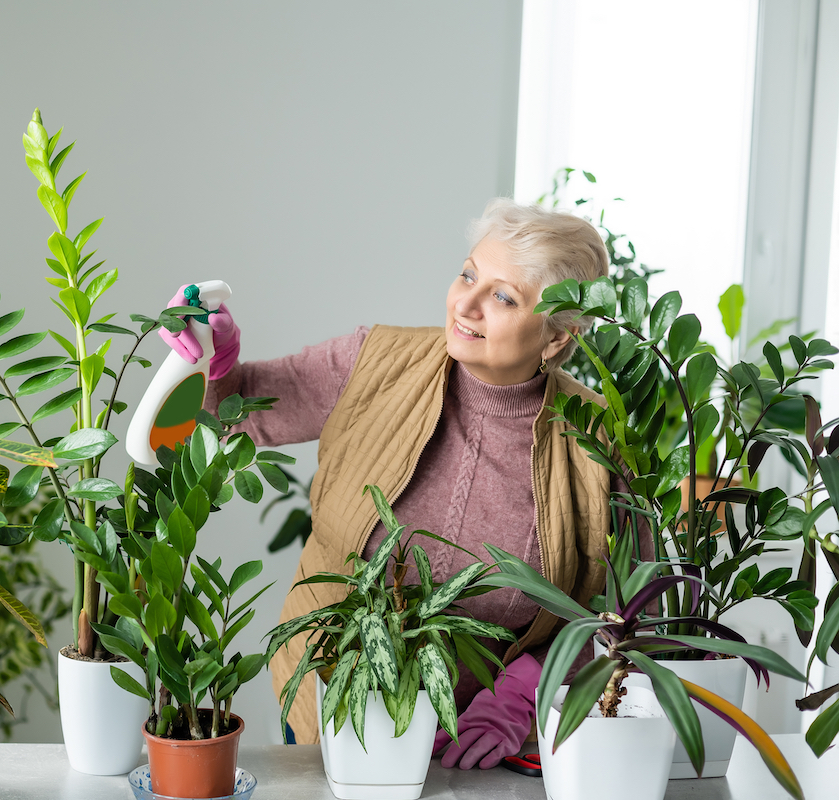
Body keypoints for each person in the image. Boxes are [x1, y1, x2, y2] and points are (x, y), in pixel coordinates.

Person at [160, 198, 623, 768]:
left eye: (504, 296)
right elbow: (228, 413)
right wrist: (211, 358)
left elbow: (620, 613)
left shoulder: (596, 441)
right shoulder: (372, 362)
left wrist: (522, 694)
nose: (467, 305)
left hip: (479, 754)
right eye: (468, 275)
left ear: (556, 337)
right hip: (328, 714)